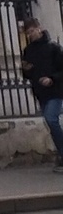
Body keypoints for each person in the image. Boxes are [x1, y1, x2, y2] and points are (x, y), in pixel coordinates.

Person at [19, 14, 63, 167]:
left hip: (56, 91)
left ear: (39, 28)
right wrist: (26, 70)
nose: (31, 34)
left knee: (51, 118)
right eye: (28, 33)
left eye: (32, 31)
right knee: (50, 122)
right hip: (40, 93)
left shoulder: (53, 48)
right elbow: (27, 73)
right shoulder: (28, 51)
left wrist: (51, 78)